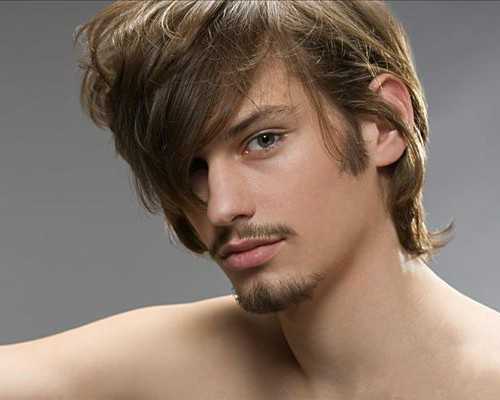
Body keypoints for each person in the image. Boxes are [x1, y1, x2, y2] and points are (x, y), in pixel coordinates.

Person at [2, 1, 500, 398]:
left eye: (263, 140)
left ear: (383, 124)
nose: (221, 207)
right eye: (193, 168)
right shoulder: (173, 361)